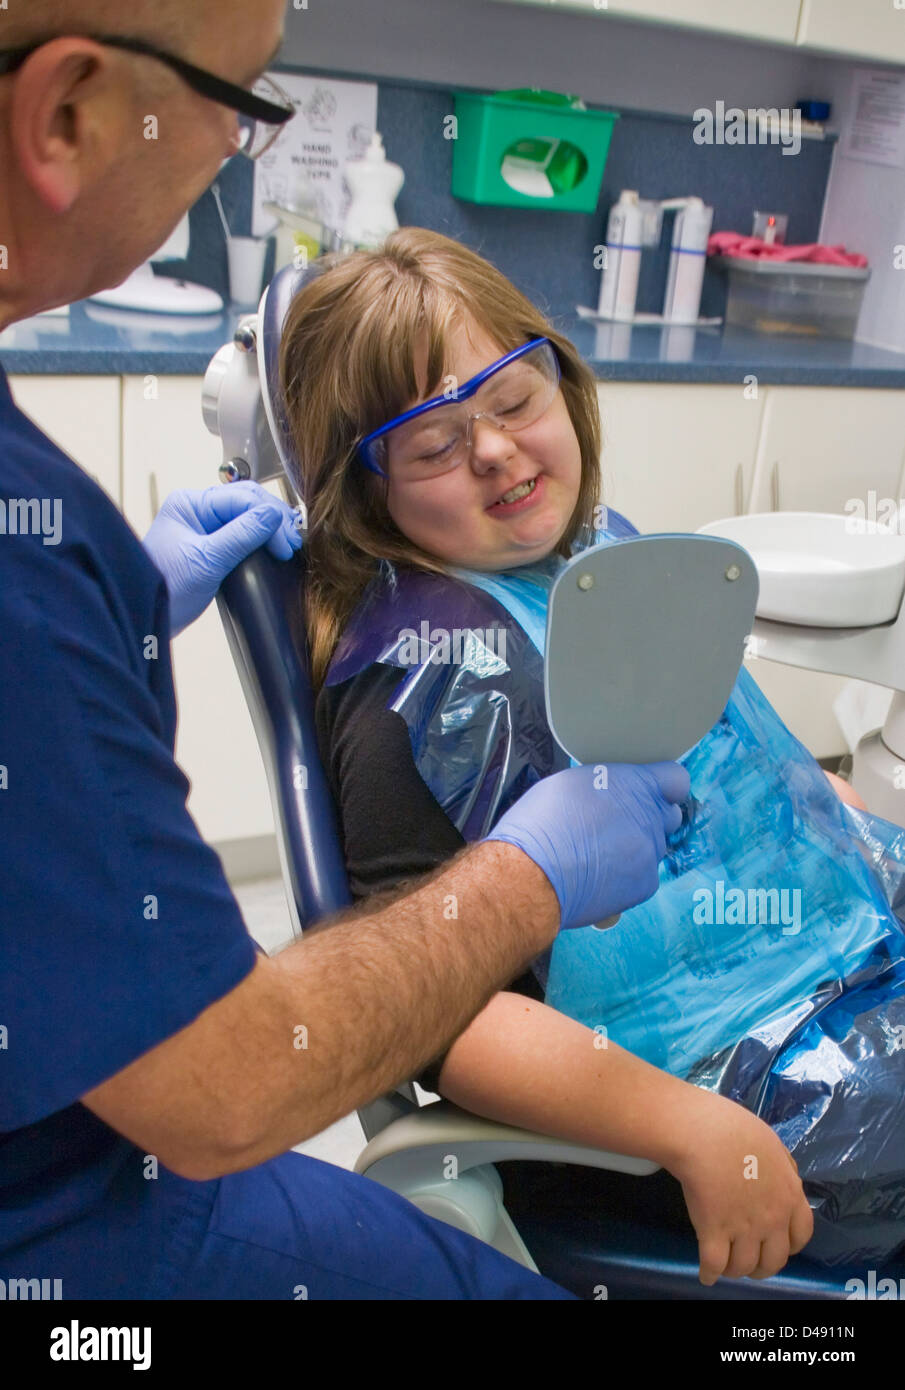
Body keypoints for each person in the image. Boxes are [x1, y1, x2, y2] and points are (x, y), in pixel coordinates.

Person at [0, 0, 690, 1301]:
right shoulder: (408, 693)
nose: (235, 152)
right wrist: (527, 876)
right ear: (68, 113)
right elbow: (222, 1084)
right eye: (246, 106)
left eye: (515, 399)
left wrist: (113, 631)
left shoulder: (619, 570)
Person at [281, 226, 904, 1282]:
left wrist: (824, 814)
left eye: (513, 398)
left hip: (830, 974)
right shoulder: (420, 686)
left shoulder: (591, 556)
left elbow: (733, 769)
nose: (493, 449)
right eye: (432, 442)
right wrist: (686, 1128)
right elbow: (440, 1019)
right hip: (722, 1091)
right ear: (367, 490)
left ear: (560, 384)